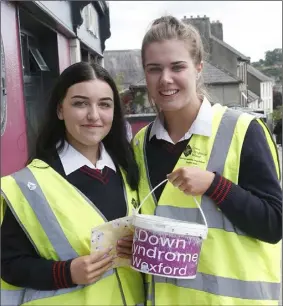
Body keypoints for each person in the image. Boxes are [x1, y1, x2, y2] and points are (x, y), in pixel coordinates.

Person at [132, 16, 282, 305]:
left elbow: (274, 224)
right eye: (154, 69)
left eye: (178, 67)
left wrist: (216, 186)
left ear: (198, 69)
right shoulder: (140, 144)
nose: (165, 79)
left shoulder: (243, 130)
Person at [1, 62, 144, 306]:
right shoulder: (25, 185)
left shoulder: (132, 173)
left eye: (104, 104)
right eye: (80, 103)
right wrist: (66, 273)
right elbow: (8, 264)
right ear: (60, 109)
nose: (94, 115)